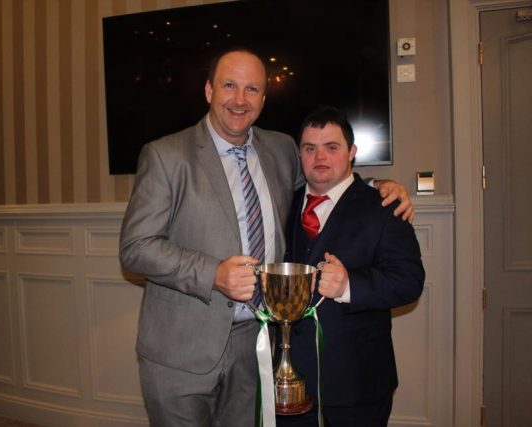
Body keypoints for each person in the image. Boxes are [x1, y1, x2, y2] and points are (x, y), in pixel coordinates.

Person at [119, 48, 413, 427]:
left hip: (255, 347)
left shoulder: (280, 150)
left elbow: (321, 184)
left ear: (263, 99)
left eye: (252, 89)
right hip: (182, 352)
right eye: (229, 86)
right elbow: (135, 247)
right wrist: (213, 273)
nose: (240, 100)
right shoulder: (166, 156)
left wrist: (375, 186)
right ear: (209, 91)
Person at [279, 106, 425, 427]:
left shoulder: (384, 206)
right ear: (299, 154)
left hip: (358, 386)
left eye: (332, 147)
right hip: (288, 386)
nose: (320, 157)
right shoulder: (280, 204)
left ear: (352, 152)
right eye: (309, 148)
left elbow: (409, 280)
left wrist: (349, 287)